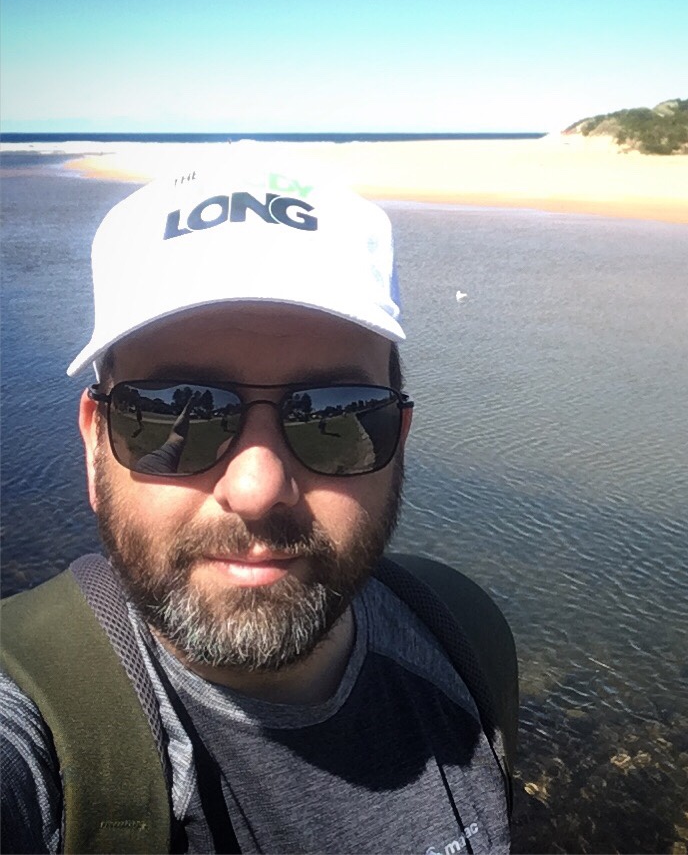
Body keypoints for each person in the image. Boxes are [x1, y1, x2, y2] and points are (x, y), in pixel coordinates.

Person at [0, 155, 515, 854]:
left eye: (339, 411)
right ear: (95, 446)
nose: (256, 488)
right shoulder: (29, 714)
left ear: (398, 441)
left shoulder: (464, 637)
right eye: (171, 410)